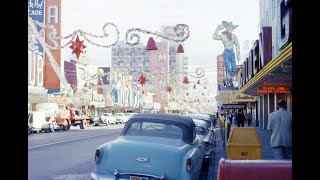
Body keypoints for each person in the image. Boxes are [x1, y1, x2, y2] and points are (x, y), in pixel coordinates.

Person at [213, 21, 240, 86]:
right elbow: (214, 37)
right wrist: (217, 29)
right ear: (226, 28)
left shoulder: (234, 36)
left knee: (233, 68)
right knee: (227, 66)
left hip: (232, 52)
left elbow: (237, 44)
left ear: (232, 28)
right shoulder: (223, 36)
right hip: (226, 52)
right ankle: (228, 80)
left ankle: (227, 79)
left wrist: (238, 54)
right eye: (228, 27)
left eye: (231, 27)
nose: (229, 28)